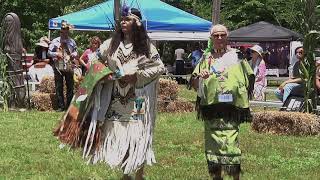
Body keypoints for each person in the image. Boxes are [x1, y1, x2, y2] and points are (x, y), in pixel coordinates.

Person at [54, 6, 165, 180]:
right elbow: (93, 60)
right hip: (114, 98)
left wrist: (137, 77)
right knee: (119, 135)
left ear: (137, 24)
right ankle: (126, 174)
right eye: (122, 19)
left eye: (127, 19)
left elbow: (159, 67)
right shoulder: (111, 45)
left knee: (138, 135)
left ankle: (139, 174)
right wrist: (104, 74)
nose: (123, 22)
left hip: (138, 98)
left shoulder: (146, 47)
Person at [190, 24, 254, 180]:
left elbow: (249, 77)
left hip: (231, 108)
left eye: (222, 35)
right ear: (211, 38)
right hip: (211, 108)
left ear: (227, 37)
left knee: (231, 144)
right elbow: (193, 83)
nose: (219, 38)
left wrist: (241, 94)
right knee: (212, 146)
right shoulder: (206, 58)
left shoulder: (237, 56)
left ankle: (235, 178)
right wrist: (200, 77)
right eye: (216, 35)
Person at [48, 20, 78, 111]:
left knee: (70, 85)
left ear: (68, 31)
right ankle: (61, 106)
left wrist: (73, 54)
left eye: (66, 31)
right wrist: (56, 54)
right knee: (59, 85)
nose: (64, 32)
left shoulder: (72, 41)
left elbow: (76, 51)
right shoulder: (55, 41)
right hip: (59, 63)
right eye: (63, 31)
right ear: (60, 31)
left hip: (68, 64)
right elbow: (49, 53)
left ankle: (68, 106)